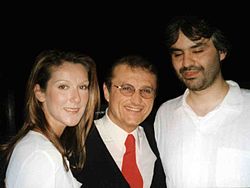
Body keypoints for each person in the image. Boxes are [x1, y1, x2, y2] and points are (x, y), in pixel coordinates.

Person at [154, 16, 250, 187]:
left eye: (197, 51)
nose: (186, 62)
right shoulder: (164, 114)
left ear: (221, 51)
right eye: (177, 54)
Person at [0, 49, 100, 187]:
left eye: (82, 87)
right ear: (40, 93)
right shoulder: (42, 155)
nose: (77, 98)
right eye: (63, 86)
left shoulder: (39, 145)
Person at [73, 55, 166, 188]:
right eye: (127, 88)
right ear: (107, 92)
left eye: (146, 91)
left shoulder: (160, 139)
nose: (137, 100)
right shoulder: (76, 143)